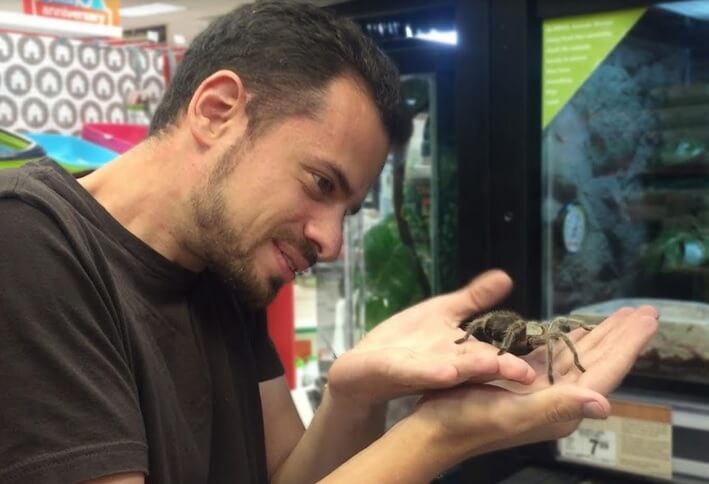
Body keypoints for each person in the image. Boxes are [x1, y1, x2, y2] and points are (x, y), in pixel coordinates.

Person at [0, 1, 658, 483]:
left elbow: (289, 476)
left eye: (347, 207)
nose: (332, 241)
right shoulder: (28, 242)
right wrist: (437, 436)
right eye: (319, 183)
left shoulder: (219, 269)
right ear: (216, 110)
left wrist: (355, 394)